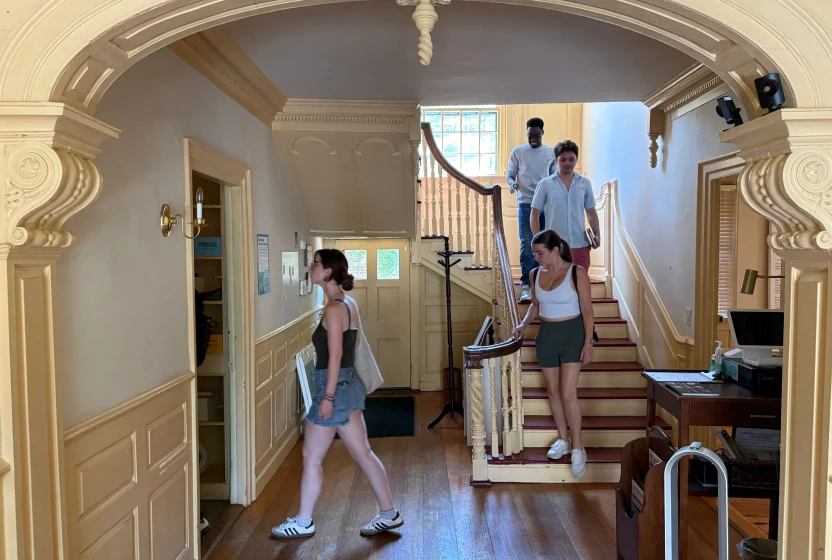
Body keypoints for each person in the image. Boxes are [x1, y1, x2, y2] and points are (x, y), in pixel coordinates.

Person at [272, 249, 403, 539]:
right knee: (363, 453)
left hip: (335, 388)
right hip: (347, 385)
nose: (311, 267)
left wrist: (328, 398)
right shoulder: (346, 303)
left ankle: (304, 521)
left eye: (316, 264)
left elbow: (335, 355)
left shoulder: (334, 309)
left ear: (329, 271)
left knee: (312, 455)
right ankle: (389, 514)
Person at [511, 230, 595, 478]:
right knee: (553, 391)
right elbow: (536, 306)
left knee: (569, 393)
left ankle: (578, 447)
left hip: (572, 334)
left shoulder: (576, 273)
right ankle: (563, 439)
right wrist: (523, 324)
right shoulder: (535, 274)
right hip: (546, 335)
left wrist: (588, 342)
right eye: (534, 253)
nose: (535, 257)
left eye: (540, 253)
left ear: (555, 250)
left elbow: (588, 310)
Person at [506, 117, 556, 301]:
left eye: (536, 135)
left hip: (545, 204)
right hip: (526, 203)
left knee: (545, 244)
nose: (532, 139)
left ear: (542, 132)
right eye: (529, 136)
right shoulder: (518, 152)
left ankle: (542, 284)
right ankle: (527, 285)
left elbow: (554, 175)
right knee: (527, 243)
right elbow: (510, 173)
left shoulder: (550, 152)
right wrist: (512, 184)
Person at [530, 140, 600, 271]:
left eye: (571, 159)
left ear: (576, 159)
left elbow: (591, 212)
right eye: (563, 159)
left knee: (579, 285)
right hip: (554, 247)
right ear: (556, 161)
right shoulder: (545, 184)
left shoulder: (585, 183)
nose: (567, 163)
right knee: (553, 284)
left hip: (580, 244)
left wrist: (597, 234)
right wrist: (539, 241)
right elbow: (534, 214)